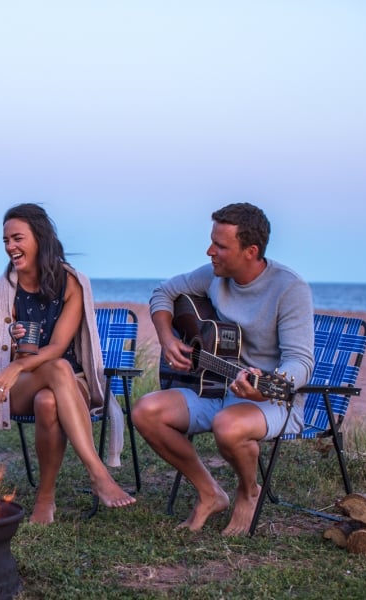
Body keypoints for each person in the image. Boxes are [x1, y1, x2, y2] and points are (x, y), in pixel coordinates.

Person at [132, 202, 315, 536]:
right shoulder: (215, 276)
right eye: (211, 241)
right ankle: (210, 492)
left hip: (269, 399)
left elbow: (300, 362)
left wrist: (268, 384)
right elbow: (163, 292)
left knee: (227, 426)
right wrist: (166, 340)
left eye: (220, 246)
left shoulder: (289, 288)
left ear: (251, 251)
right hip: (215, 386)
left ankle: (249, 491)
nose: (210, 251)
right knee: (146, 411)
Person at [0, 202, 135, 524]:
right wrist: (16, 351)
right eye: (6, 241)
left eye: (17, 238)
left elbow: (59, 346)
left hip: (71, 382)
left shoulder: (71, 282)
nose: (10, 247)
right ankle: (97, 473)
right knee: (54, 373)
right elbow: (6, 358)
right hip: (17, 388)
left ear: (40, 239)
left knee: (49, 399)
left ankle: (45, 498)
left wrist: (16, 366)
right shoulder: (0, 295)